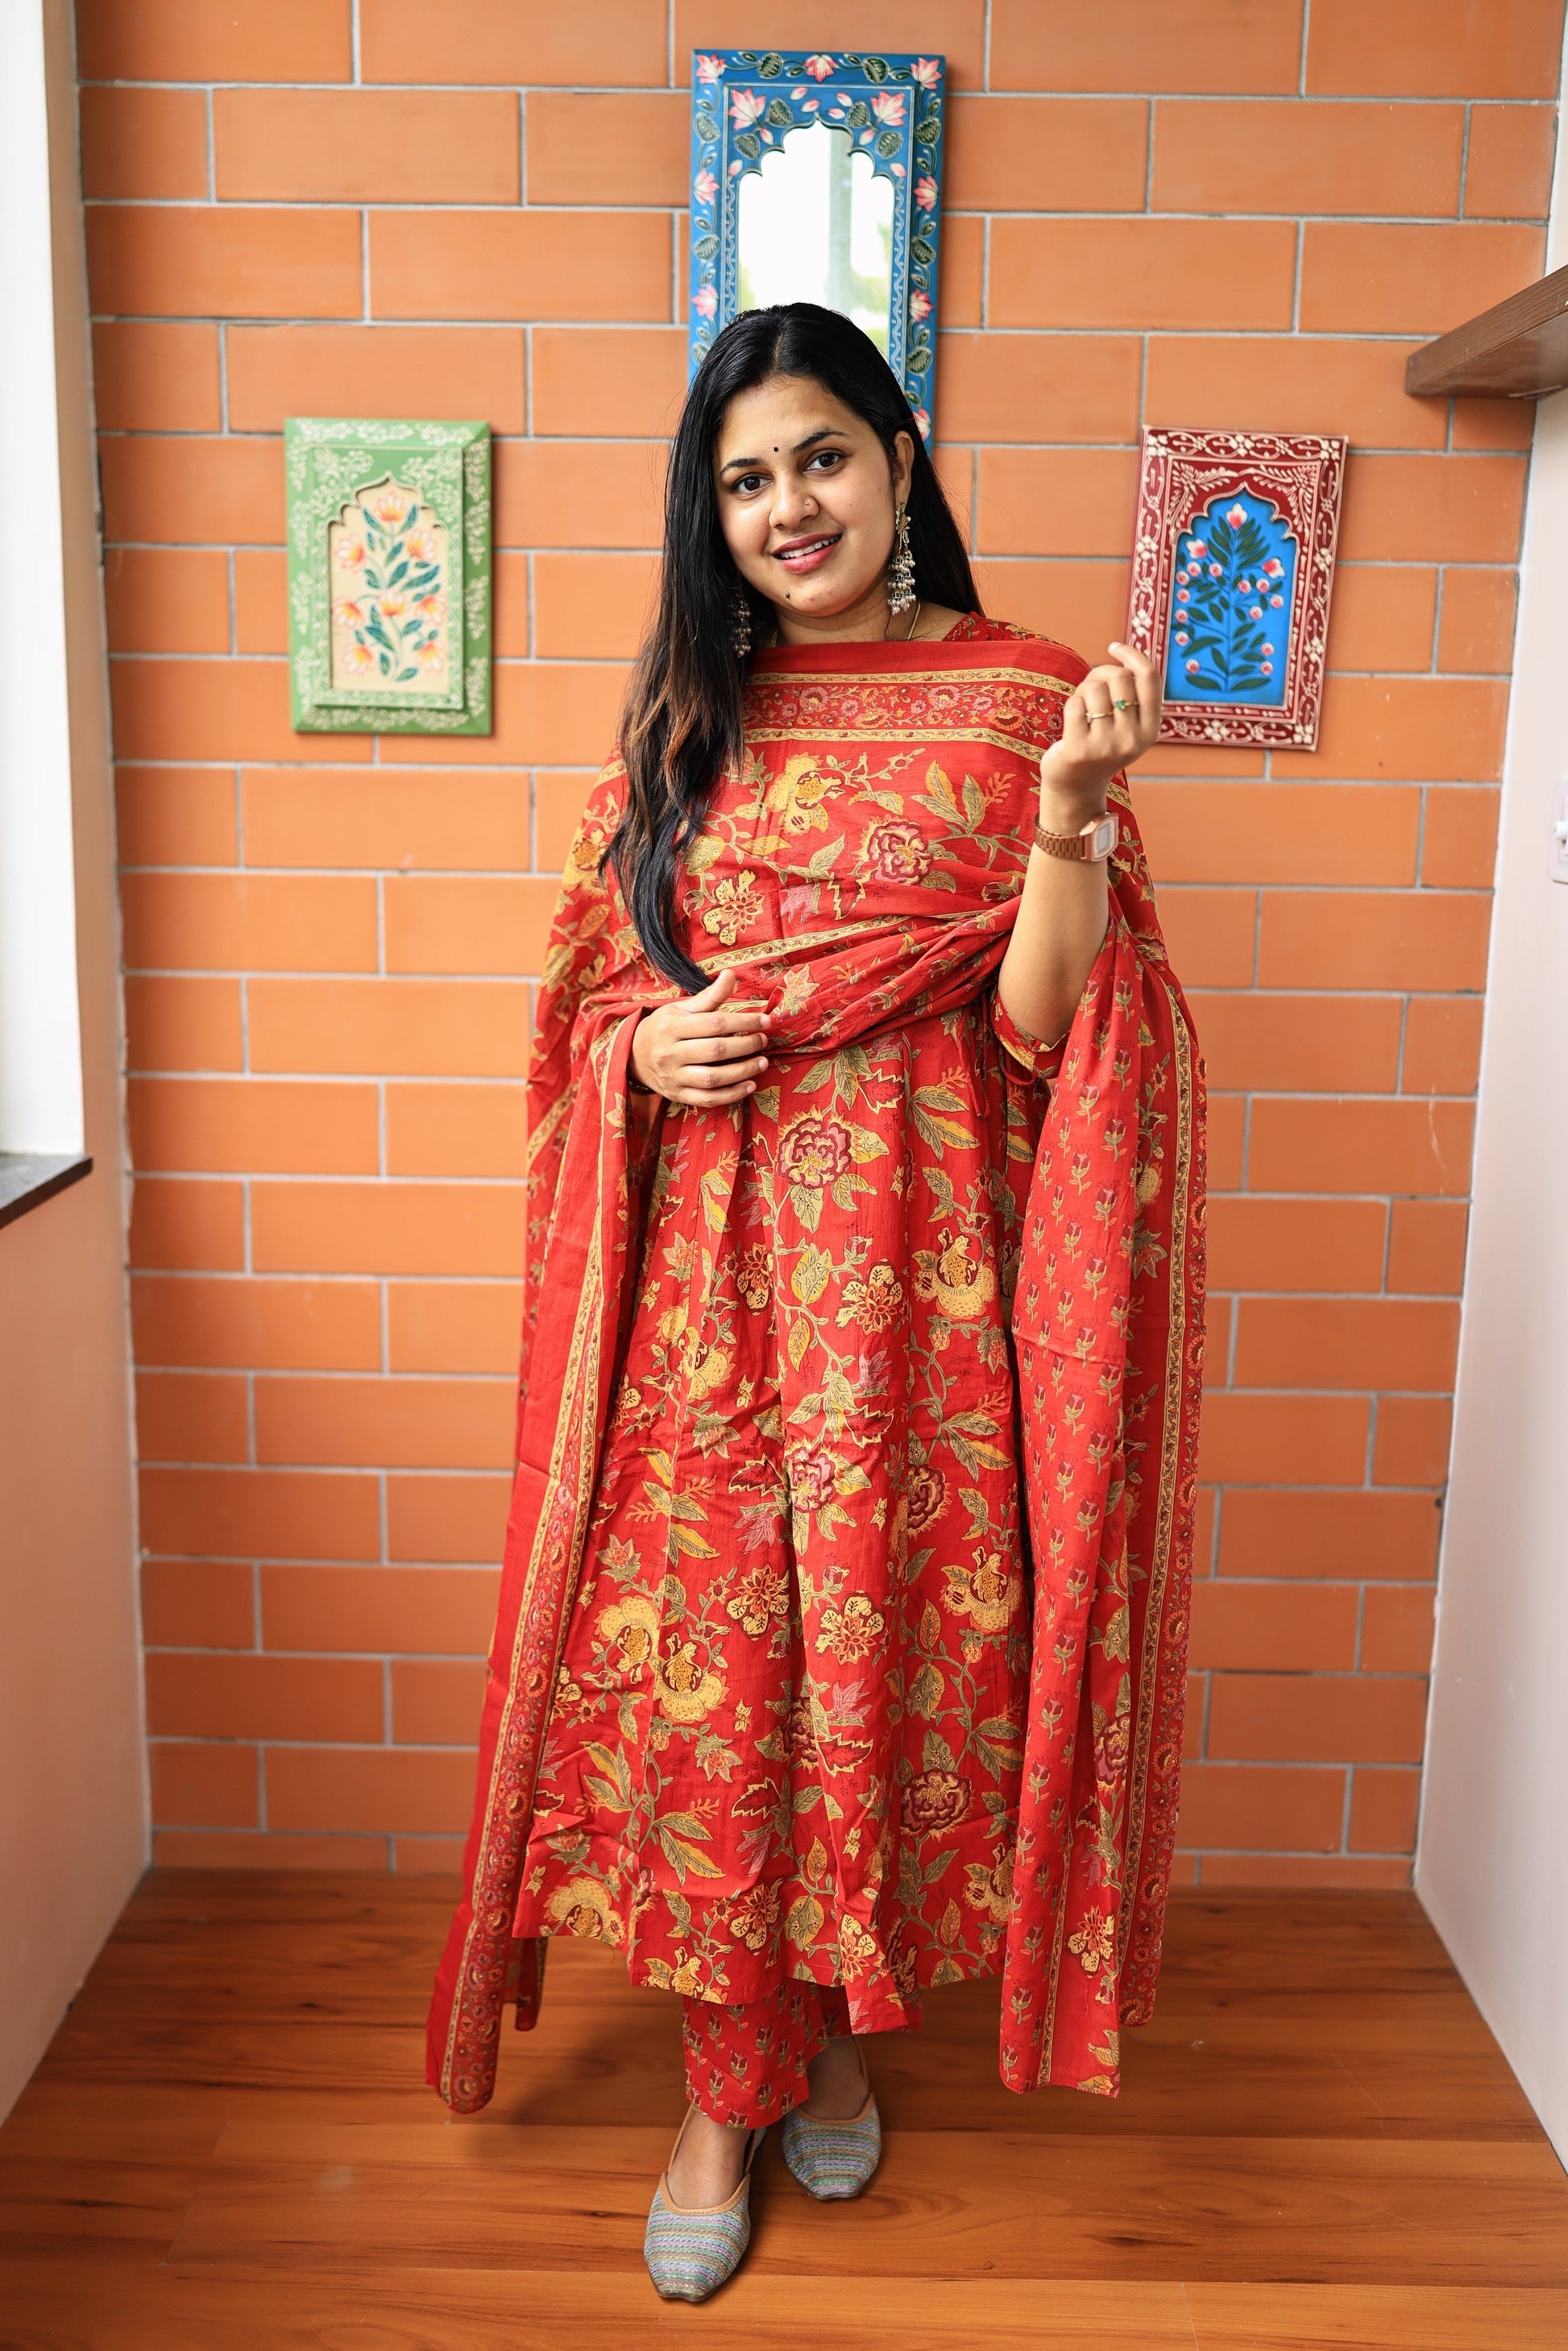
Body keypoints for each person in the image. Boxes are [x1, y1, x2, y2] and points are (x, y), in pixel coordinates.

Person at [426, 303, 1205, 2303]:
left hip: (920, 1311)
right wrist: (636, 1049)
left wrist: (1066, 822)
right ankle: (724, 2092)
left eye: (822, 457)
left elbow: (1047, 1031)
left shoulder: (1024, 697)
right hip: (706, 1311)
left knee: (876, 1674)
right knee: (717, 1692)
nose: (789, 506)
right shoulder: (687, 720)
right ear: (710, 511)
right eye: (745, 478)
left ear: (898, 457)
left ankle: (833, 2031)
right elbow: (587, 994)